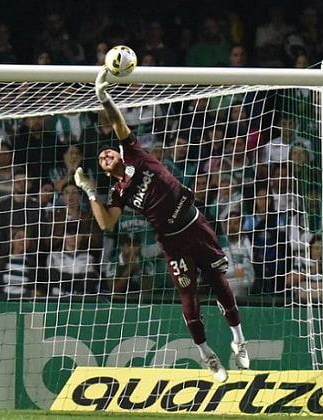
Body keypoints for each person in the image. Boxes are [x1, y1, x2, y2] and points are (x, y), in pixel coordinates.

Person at [73, 68, 249, 382]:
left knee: (219, 282)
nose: (106, 155)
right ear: (104, 171)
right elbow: (106, 223)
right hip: (172, 242)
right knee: (189, 299)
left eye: (108, 151)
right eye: (101, 159)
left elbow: (117, 123)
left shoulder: (136, 154)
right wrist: (89, 192)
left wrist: (104, 98)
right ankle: (206, 355)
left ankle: (238, 339)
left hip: (194, 223)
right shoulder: (118, 193)